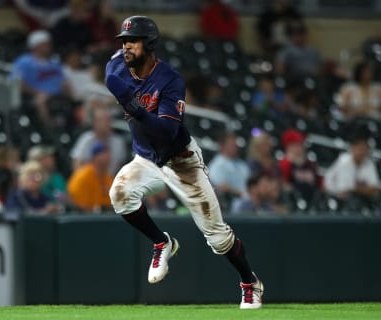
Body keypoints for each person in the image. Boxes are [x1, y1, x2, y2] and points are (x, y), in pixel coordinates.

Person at [104, 16, 263, 309]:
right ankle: (161, 242)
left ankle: (249, 282)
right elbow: (111, 74)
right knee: (120, 194)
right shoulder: (117, 65)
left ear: (149, 44)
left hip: (181, 161)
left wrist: (134, 108)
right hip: (147, 158)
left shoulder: (170, 79)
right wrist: (128, 99)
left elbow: (167, 131)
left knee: (218, 238)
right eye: (123, 41)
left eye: (133, 41)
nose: (126, 47)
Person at [11, 30, 70, 125]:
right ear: (36, 46)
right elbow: (17, 81)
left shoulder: (54, 62)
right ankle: (48, 127)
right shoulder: (24, 61)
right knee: (41, 101)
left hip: (58, 94)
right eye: (46, 44)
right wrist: (37, 92)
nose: (49, 46)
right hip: (37, 95)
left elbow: (62, 80)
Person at [324, 126, 380, 203]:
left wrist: (358, 189)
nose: (362, 152)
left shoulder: (369, 163)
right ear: (352, 148)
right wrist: (363, 189)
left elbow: (375, 190)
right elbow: (345, 191)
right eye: (360, 149)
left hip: (358, 200)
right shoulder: (344, 161)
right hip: (336, 198)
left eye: (365, 149)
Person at [70, 107, 127, 175]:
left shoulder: (118, 142)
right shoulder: (86, 139)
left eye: (108, 120)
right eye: (102, 120)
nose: (106, 123)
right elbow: (77, 165)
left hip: (111, 181)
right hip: (89, 180)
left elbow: (121, 168)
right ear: (94, 123)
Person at [278, 129, 322, 203]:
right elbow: (283, 184)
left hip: (312, 200)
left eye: (300, 144)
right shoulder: (284, 164)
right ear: (288, 146)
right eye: (296, 145)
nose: (300, 148)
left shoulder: (310, 164)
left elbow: (319, 184)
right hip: (293, 202)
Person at [67, 142, 114, 212]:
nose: (107, 157)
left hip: (103, 217)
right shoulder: (83, 176)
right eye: (103, 153)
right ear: (95, 157)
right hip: (81, 218)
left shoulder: (108, 178)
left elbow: (112, 204)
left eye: (108, 153)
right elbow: (79, 206)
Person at [208, 132, 250, 199]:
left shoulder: (242, 164)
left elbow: (250, 182)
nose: (235, 147)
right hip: (231, 203)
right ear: (222, 145)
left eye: (235, 145)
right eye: (231, 144)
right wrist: (239, 193)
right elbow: (218, 186)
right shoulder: (217, 165)